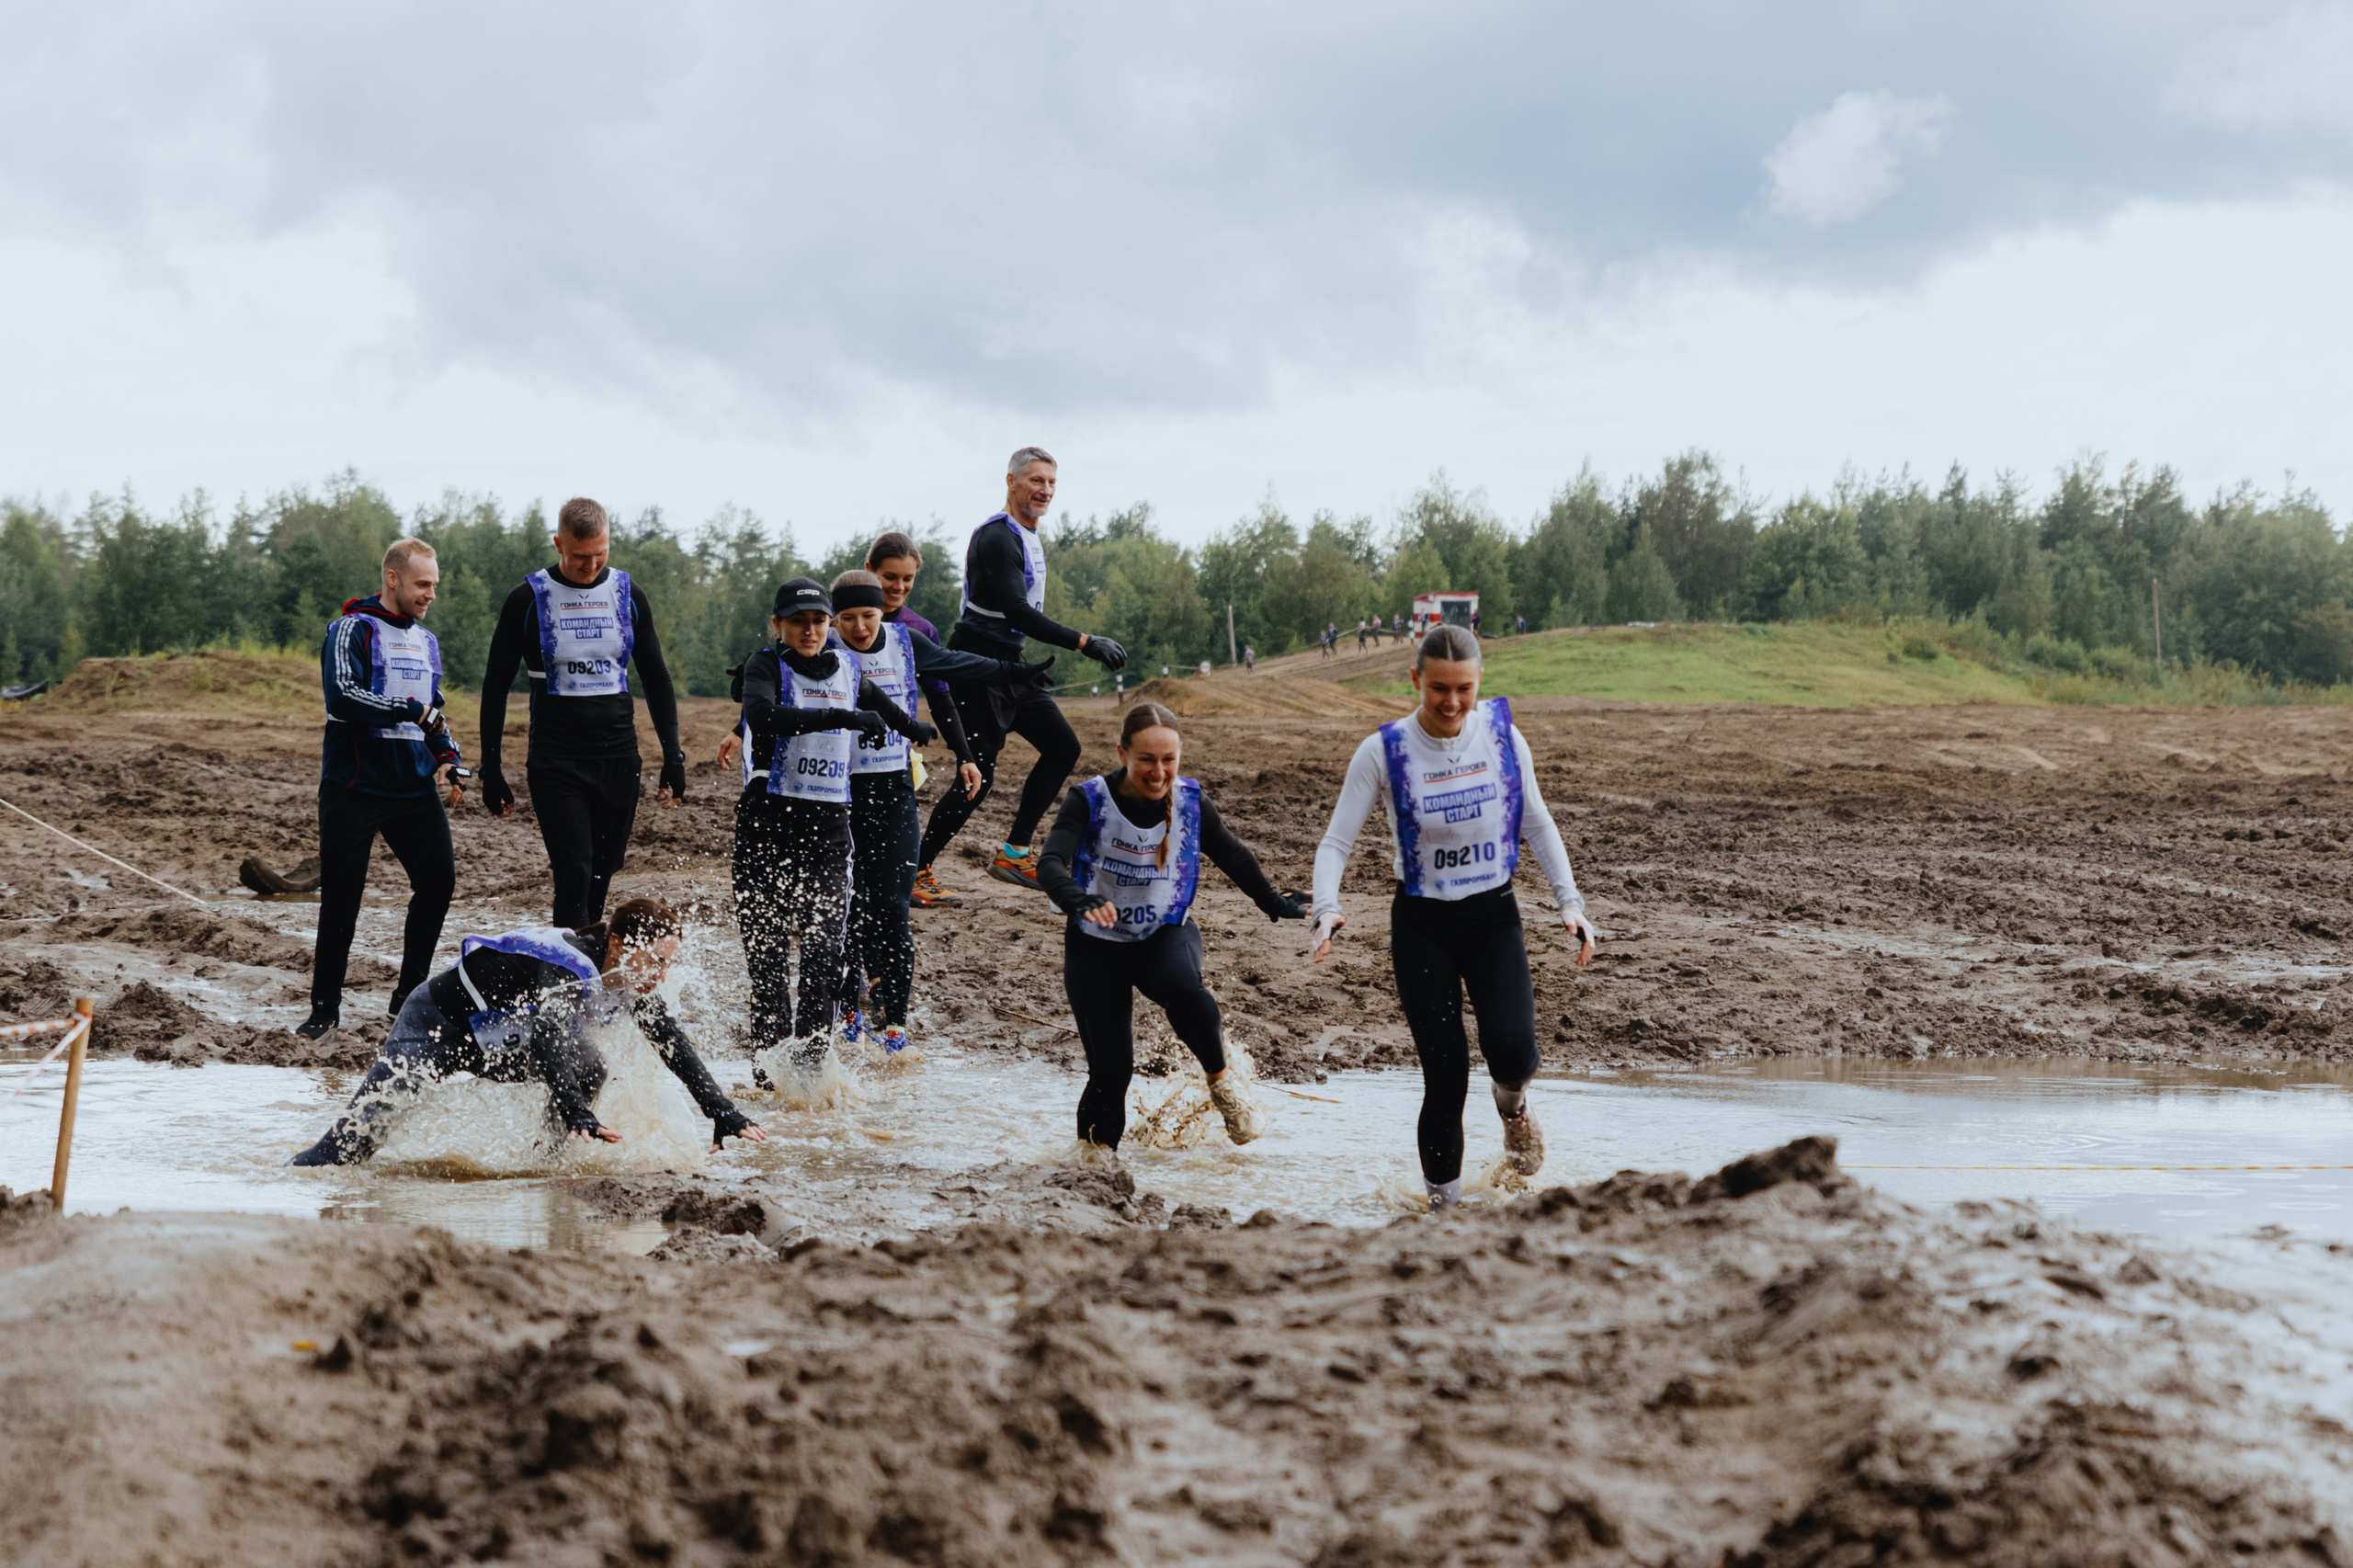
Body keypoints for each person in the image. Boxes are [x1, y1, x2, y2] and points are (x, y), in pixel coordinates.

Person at [1309, 624, 1597, 1210]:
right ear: (1416, 680)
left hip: (1493, 917)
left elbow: (1537, 823)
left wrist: (1571, 903)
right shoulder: (1382, 750)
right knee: (1445, 1077)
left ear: (1479, 682)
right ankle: (1444, 1211)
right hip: (1422, 926)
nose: (1451, 703)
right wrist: (1326, 908)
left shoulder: (1503, 737)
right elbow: (1336, 842)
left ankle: (1513, 1108)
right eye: (1438, 688)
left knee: (1513, 1052)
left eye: (1463, 689)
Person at [288, 898, 764, 1165]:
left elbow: (672, 1042)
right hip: (434, 1028)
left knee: (590, 1065)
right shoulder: (567, 966)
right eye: (655, 961)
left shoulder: (628, 975)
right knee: (345, 1151)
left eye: (668, 965)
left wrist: (720, 1110)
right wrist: (577, 1110)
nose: (660, 975)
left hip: (491, 1040)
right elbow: (548, 1038)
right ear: (618, 944)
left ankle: (545, 1164)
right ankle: (292, 1175)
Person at [1037, 702, 1309, 1153]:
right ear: (1122, 752)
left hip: (1163, 932)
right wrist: (1079, 899)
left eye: (1169, 759)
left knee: (1185, 989)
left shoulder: (1190, 802)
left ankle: (1222, 1084)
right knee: (1111, 1071)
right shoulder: (1087, 799)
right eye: (1147, 758)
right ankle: (1094, 1169)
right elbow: (1049, 863)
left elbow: (1234, 856)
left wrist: (1275, 904)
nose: (1158, 771)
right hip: (1095, 945)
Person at [822, 565, 1050, 1049]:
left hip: (894, 791)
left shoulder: (906, 642)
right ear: (833, 619)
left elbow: (959, 665)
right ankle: (847, 1013)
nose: (860, 628)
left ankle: (895, 1030)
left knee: (893, 907)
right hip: (838, 799)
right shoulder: (823, 647)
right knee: (851, 907)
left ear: (881, 609)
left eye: (868, 615)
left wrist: (1019, 673)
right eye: (848, 619)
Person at [730, 578, 934, 1073]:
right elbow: (761, 714)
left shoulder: (845, 664)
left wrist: (913, 728)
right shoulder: (765, 665)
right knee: (769, 961)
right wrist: (839, 718)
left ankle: (812, 1073)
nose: (810, 631)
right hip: (767, 828)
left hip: (828, 832)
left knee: (824, 954)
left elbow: (879, 703)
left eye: (818, 621)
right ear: (778, 625)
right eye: (798, 622)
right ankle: (768, 1071)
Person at [917, 447, 1127, 896]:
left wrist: (1022, 666)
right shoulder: (998, 537)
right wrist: (1085, 642)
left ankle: (1014, 853)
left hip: (1009, 665)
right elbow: (1015, 610)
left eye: (1051, 483)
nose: (1045, 490)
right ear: (1011, 482)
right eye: (1036, 480)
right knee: (978, 776)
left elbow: (1015, 615)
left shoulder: (1029, 535)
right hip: (976, 667)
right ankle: (916, 871)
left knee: (1062, 746)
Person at [477, 497, 687, 929]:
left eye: (600, 555)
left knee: (599, 876)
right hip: (557, 759)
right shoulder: (528, 598)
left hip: (617, 757)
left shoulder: (629, 595)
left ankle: (587, 972)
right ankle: (568, 986)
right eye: (579, 557)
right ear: (558, 544)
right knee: (572, 874)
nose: (591, 566)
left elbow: (657, 678)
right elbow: (495, 685)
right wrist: (491, 768)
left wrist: (674, 755)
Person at [297, 539, 465, 1040]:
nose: (430, 594)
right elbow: (344, 695)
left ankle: (406, 999)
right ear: (392, 579)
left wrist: (449, 758)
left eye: (434, 585)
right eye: (422, 584)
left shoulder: (427, 641)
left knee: (438, 882)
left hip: (412, 788)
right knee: (343, 899)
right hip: (354, 787)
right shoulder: (351, 629)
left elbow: (432, 709)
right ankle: (324, 1010)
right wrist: (405, 709)